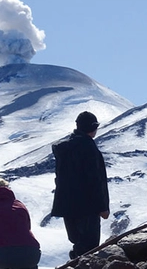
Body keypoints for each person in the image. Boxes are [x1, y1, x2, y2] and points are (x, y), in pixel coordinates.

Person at [51, 111, 110, 259]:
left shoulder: (64, 149)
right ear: (94, 127)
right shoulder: (89, 148)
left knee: (77, 242)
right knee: (89, 247)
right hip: (87, 206)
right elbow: (95, 180)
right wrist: (103, 207)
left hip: (67, 205)